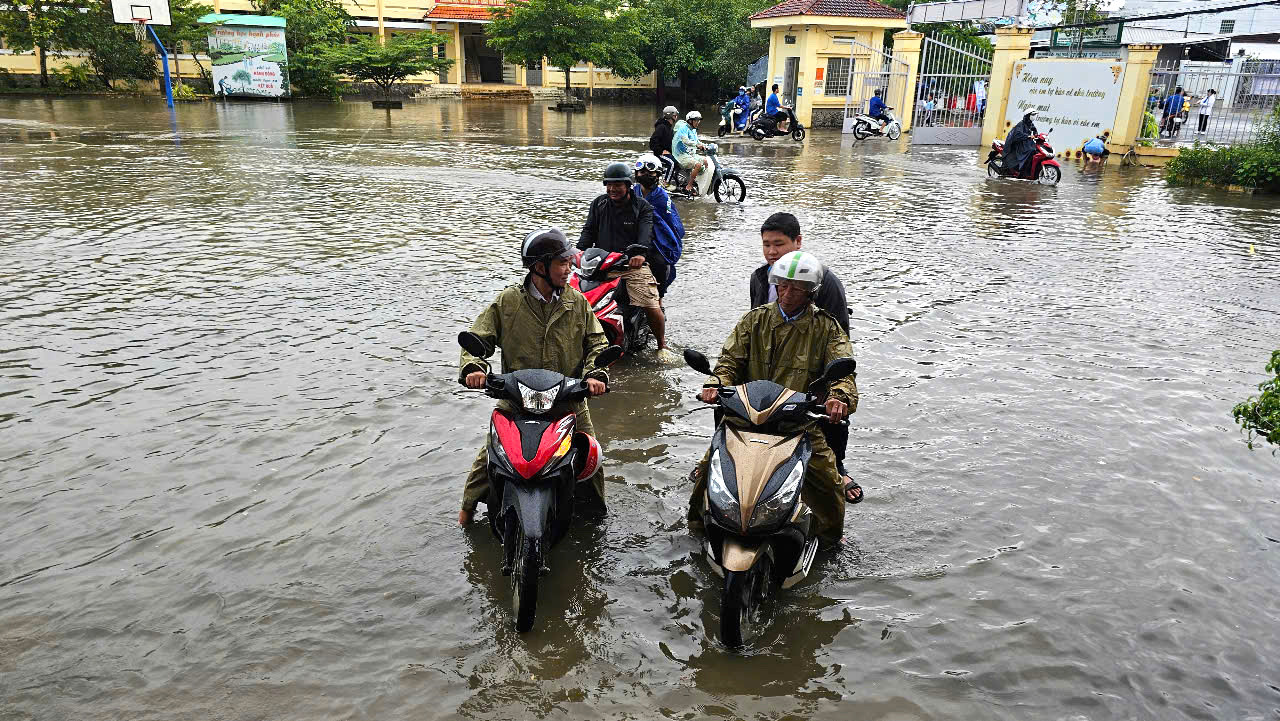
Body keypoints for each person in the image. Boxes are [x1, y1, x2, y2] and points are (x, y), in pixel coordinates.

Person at [687, 250, 858, 546]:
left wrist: (838, 397)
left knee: (829, 483)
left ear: (811, 292)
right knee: (705, 473)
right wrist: (715, 383)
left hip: (798, 422)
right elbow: (729, 361)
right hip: (746, 416)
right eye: (782, 285)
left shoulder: (827, 327)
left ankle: (831, 540)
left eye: (796, 288)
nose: (787, 293)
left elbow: (843, 370)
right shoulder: (754, 320)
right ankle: (698, 530)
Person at [458, 228, 611, 526]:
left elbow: (597, 343)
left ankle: (595, 522)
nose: (570, 268)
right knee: (488, 456)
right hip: (516, 399)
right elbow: (479, 339)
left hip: (569, 399)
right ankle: (465, 515)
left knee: (592, 457)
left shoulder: (577, 303)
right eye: (563, 263)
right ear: (540, 267)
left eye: (570, 262)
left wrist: (596, 373)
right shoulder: (508, 302)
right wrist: (473, 368)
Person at [747, 213, 861, 505]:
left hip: (812, 369)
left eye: (779, 244)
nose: (772, 252)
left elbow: (838, 340)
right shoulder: (760, 278)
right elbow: (752, 331)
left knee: (832, 415)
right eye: (766, 245)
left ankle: (837, 467)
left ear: (798, 242)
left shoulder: (825, 282)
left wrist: (832, 389)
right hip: (770, 367)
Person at [578, 161, 674, 361]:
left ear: (628, 185)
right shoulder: (599, 204)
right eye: (609, 185)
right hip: (600, 266)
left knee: (650, 304)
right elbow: (588, 232)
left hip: (630, 266)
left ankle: (662, 344)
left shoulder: (642, 207)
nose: (612, 189)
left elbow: (645, 235)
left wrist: (640, 255)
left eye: (618, 185)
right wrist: (578, 252)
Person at [633, 153, 685, 298]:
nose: (646, 175)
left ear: (658, 174)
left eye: (650, 172)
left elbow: (670, 223)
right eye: (642, 172)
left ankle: (659, 299)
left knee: (659, 264)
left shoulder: (662, 197)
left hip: (657, 241)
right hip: (635, 238)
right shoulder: (632, 193)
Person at [673, 110, 708, 195]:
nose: (698, 122)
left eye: (699, 120)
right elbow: (686, 141)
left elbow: (697, 141)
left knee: (706, 161)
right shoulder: (683, 129)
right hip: (680, 155)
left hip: (689, 153)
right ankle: (689, 186)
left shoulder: (693, 130)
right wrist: (697, 145)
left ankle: (697, 181)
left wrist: (705, 145)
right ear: (690, 120)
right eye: (696, 120)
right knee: (698, 165)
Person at [1003, 109, 1040, 177]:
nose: (1034, 116)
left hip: (1025, 142)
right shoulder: (1021, 124)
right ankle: (1022, 172)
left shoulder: (1030, 123)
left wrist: (1036, 135)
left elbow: (1035, 130)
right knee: (1031, 151)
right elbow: (1017, 135)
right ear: (1028, 115)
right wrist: (1028, 136)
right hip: (1018, 143)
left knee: (1036, 150)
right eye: (1033, 115)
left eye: (1035, 115)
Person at [650, 105, 679, 184]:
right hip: (660, 154)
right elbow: (652, 141)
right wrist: (661, 151)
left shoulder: (669, 127)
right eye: (675, 115)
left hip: (668, 153)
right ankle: (665, 183)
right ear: (671, 116)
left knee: (679, 161)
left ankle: (676, 180)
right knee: (672, 163)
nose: (676, 117)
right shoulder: (661, 127)